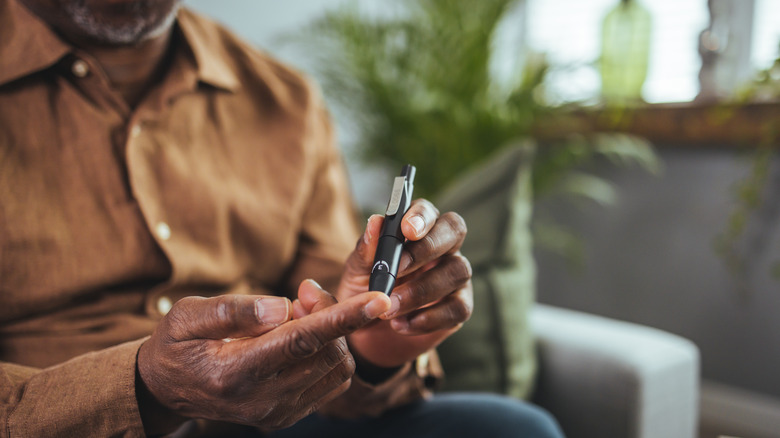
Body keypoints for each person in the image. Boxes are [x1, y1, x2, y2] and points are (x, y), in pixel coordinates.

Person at [0, 0, 564, 436]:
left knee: (513, 431)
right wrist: (147, 387)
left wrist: (373, 344)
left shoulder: (287, 102)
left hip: (266, 429)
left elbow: (334, 327)